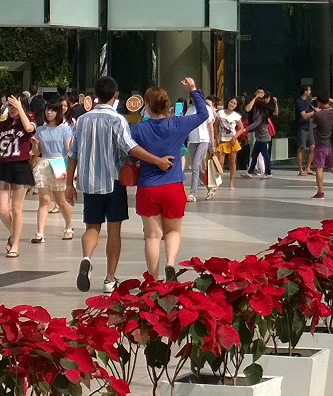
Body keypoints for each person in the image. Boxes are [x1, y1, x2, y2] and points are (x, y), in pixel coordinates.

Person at [127, 79, 208, 281]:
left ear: (146, 105)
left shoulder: (138, 130)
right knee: (173, 232)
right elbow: (203, 114)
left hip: (148, 188)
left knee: (152, 236)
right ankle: (170, 263)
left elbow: (131, 155)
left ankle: (152, 279)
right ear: (166, 105)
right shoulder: (177, 124)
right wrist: (193, 90)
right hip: (173, 187)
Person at [72, 77, 134, 292]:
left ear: (95, 96)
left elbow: (73, 154)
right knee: (114, 229)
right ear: (116, 96)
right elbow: (129, 147)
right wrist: (154, 159)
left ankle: (87, 258)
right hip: (113, 182)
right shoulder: (117, 120)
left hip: (89, 183)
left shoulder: (82, 120)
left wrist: (70, 184)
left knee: (92, 227)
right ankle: (109, 279)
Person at [0, 92, 37, 262]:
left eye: (14, 106)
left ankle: (15, 244)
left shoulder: (29, 120)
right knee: (2, 209)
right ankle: (13, 233)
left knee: (17, 208)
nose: (11, 110)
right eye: (9, 106)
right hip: (4, 166)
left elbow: (30, 128)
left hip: (21, 166)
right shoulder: (2, 126)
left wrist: (20, 109)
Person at [31, 94, 77, 243]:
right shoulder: (40, 129)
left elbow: (69, 150)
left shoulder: (65, 129)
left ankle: (69, 226)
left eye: (52, 110)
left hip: (59, 163)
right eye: (47, 110)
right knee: (44, 200)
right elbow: (37, 152)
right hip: (44, 162)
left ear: (58, 112)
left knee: (61, 200)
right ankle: (40, 233)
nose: (48, 113)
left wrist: (72, 169)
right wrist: (34, 144)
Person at [305, 95, 333, 200]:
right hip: (331, 145)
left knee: (319, 168)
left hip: (321, 146)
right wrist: (327, 100)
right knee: (332, 167)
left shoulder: (318, 115)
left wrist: (316, 110)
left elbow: (313, 126)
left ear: (319, 102)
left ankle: (320, 192)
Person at [208, 99, 241, 192]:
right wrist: (216, 137)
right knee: (219, 163)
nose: (232, 104)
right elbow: (215, 126)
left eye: (235, 103)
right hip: (222, 140)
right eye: (231, 102)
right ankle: (217, 183)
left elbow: (241, 128)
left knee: (232, 162)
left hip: (232, 141)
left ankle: (232, 183)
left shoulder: (236, 116)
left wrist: (235, 136)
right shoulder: (220, 113)